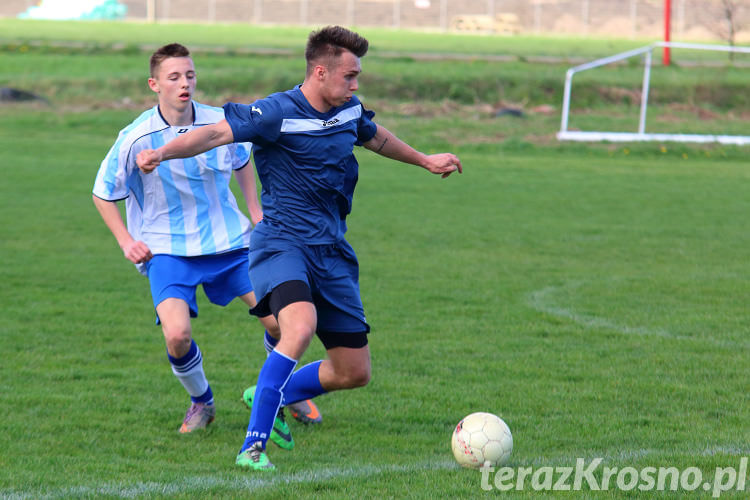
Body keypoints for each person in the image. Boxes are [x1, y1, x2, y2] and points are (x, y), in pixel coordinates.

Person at [136, 26, 462, 471]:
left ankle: (274, 393)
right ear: (321, 71)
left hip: (332, 250)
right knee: (299, 325)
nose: (355, 85)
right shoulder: (275, 112)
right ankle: (253, 446)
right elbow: (213, 135)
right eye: (350, 76)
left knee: (353, 372)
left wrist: (425, 159)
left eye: (357, 77)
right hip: (282, 244)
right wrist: (163, 152)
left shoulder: (347, 110)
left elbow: (373, 135)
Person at [92, 43, 320, 437]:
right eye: (174, 77)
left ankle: (283, 388)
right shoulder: (135, 138)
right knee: (177, 335)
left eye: (190, 75)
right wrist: (125, 240)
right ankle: (202, 401)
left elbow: (242, 160)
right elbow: (102, 192)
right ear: (154, 84)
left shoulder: (219, 122)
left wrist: (255, 209)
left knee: (284, 325)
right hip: (167, 249)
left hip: (231, 244)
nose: (185, 83)